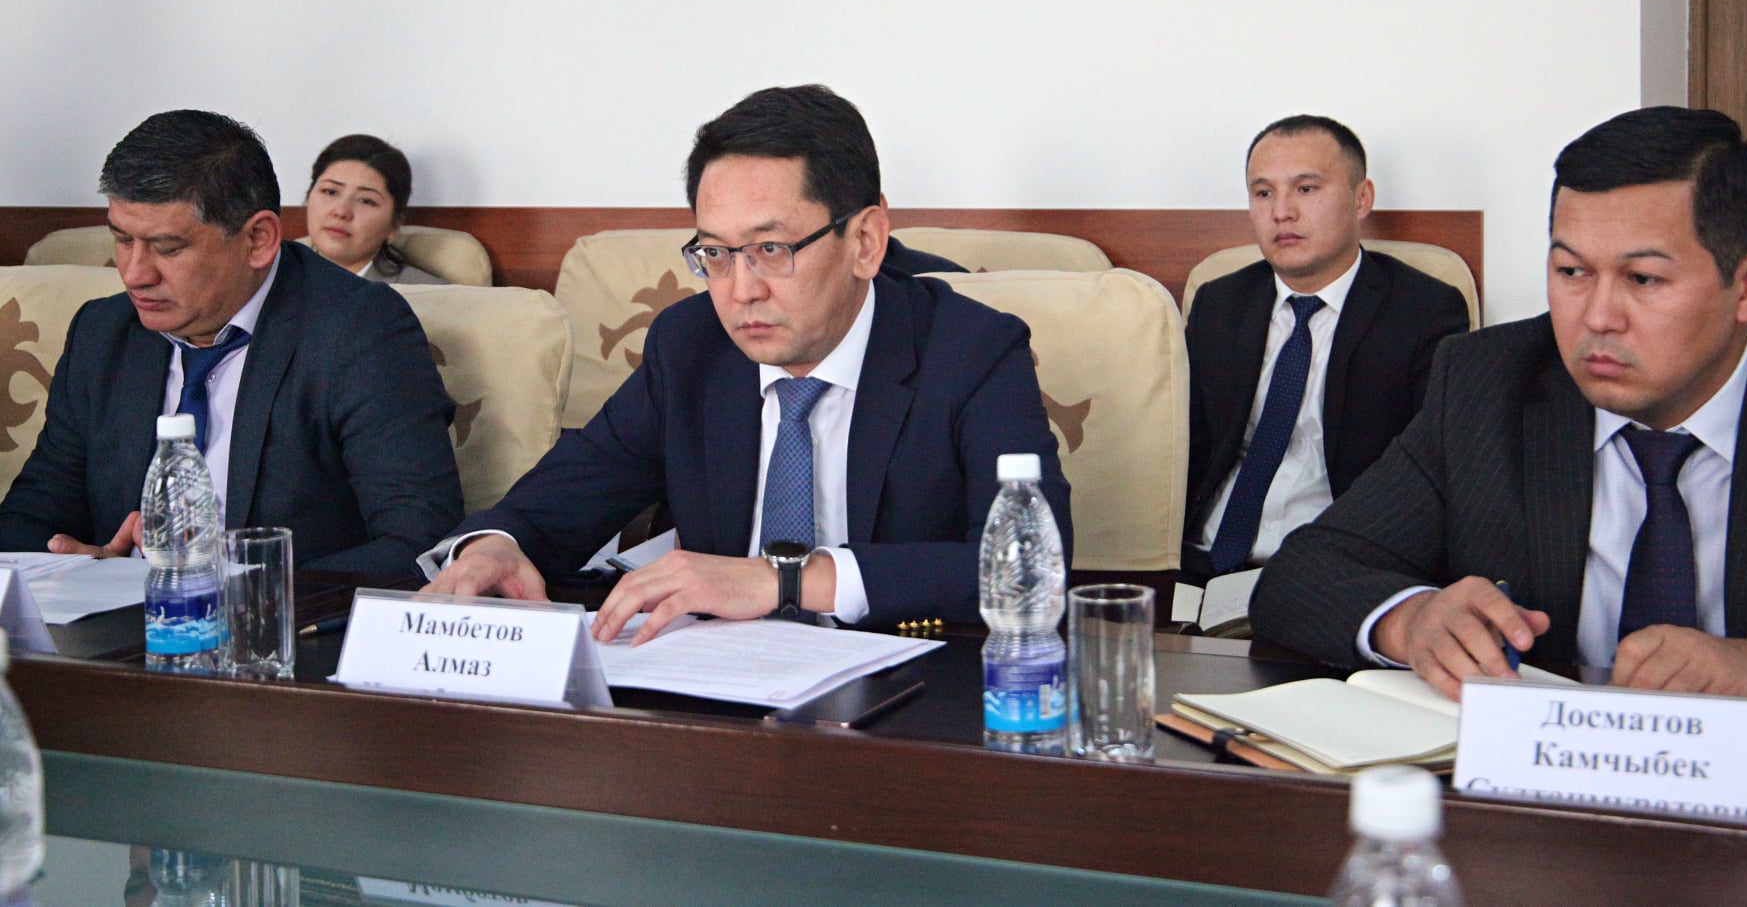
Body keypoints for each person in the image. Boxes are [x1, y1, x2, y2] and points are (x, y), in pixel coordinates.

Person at [1251, 107, 1747, 718]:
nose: (1597, 317)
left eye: (1643, 279)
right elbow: (1303, 574)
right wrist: (1411, 620)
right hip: (1540, 799)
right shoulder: (1485, 383)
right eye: (1571, 270)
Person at [421, 85, 1070, 637]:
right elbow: (561, 499)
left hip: (912, 700)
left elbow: (1031, 567)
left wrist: (782, 580)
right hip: (723, 698)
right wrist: (492, 547)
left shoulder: (971, 351)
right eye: (715, 253)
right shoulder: (689, 345)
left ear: (865, 241)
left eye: (770, 249)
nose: (740, 290)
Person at [0, 111, 464, 575]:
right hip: (114, 616)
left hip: (287, 615)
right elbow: (32, 517)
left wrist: (239, 590)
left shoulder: (361, 330)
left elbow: (418, 541)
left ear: (258, 240)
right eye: (122, 240)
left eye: (168, 248)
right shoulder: (103, 333)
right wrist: (83, 567)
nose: (135, 274)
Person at [1182, 116, 1467, 583]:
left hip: (1334, 571)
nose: (1282, 212)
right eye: (1263, 193)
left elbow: (1428, 477)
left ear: (1362, 199)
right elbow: (1188, 450)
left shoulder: (1423, 311)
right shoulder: (1220, 303)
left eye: (1306, 189)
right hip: (1203, 560)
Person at [305, 134, 446, 285]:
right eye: (330, 192)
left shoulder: (429, 292)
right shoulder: (286, 271)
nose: (341, 212)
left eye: (366, 201)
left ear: (394, 225)